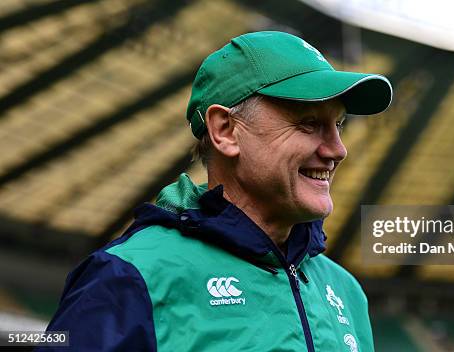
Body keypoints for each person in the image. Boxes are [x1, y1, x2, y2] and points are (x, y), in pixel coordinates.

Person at [40, 31, 392, 351]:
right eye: (309, 123)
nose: (337, 149)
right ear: (225, 130)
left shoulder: (346, 292)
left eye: (339, 125)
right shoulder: (131, 276)